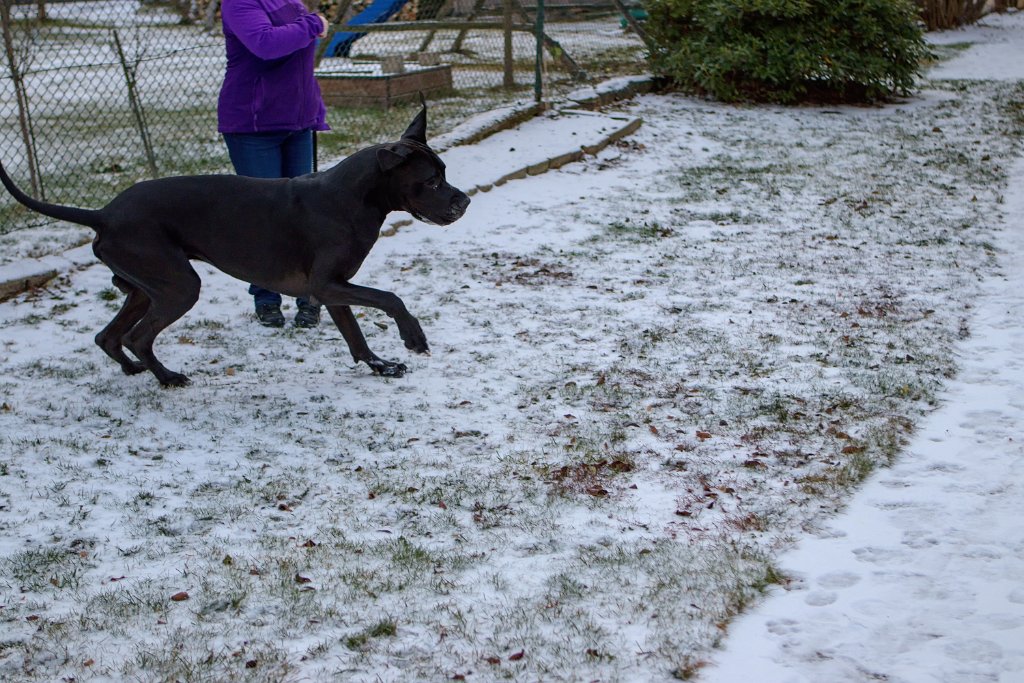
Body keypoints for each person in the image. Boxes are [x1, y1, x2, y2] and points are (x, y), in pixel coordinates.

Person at [217, 0, 330, 328]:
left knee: (305, 214)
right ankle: (266, 296)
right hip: (253, 126)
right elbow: (265, 45)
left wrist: (312, 109)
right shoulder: (238, 3)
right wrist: (313, 24)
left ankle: (310, 294)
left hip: (298, 123)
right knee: (264, 217)